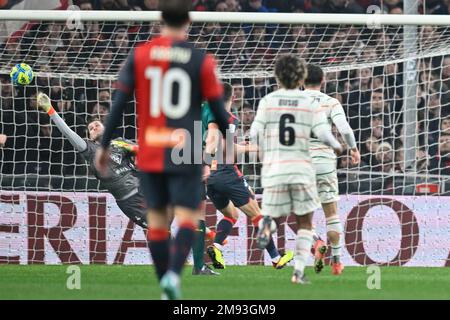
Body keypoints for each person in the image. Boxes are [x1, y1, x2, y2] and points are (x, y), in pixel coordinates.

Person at [95, 0, 230, 300]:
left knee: (157, 221)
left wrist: (104, 146)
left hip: (152, 148)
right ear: (188, 22)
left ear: (160, 20)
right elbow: (220, 113)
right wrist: (219, 141)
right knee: (187, 216)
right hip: (185, 149)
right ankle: (173, 275)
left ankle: (166, 285)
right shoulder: (201, 60)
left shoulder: (140, 55)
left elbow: (118, 105)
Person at [250, 55, 342, 284]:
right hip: (301, 166)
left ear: (278, 76)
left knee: (274, 213)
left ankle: (267, 226)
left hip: (276, 165)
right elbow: (323, 134)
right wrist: (338, 146)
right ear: (300, 77)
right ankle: (298, 273)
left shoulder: (268, 101)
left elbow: (254, 134)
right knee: (304, 223)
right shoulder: (309, 103)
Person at [204, 82, 294, 270]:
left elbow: (223, 145)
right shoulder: (229, 118)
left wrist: (250, 147)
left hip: (211, 178)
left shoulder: (207, 115)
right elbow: (221, 147)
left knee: (232, 214)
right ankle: (276, 258)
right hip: (227, 173)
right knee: (257, 216)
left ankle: (217, 247)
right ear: (233, 98)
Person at [36, 93, 148, 229]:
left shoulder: (120, 143)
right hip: (130, 201)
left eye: (96, 125)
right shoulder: (90, 149)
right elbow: (68, 133)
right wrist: (50, 110)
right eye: (91, 129)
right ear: (89, 136)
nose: (94, 128)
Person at [303, 64, 360, 275]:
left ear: (301, 81)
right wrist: (353, 149)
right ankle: (336, 261)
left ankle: (316, 242)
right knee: (331, 212)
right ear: (322, 81)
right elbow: (344, 128)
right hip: (325, 161)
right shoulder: (330, 102)